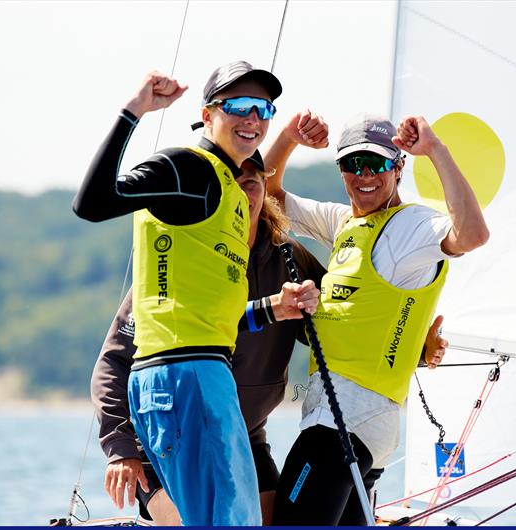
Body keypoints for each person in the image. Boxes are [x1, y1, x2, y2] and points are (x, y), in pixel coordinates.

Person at [72, 60, 313, 526]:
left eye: (264, 109)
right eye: (238, 106)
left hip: (197, 372)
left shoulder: (229, 192)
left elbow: (206, 311)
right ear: (208, 115)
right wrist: (133, 111)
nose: (253, 119)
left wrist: (270, 308)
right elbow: (92, 203)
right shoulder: (189, 168)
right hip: (186, 376)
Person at [264, 110, 489, 524]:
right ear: (341, 170)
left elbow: (472, 234)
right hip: (352, 422)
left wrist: (435, 149)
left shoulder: (412, 228)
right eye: (353, 164)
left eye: (378, 164)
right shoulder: (345, 222)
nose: (365, 174)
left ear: (399, 167)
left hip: (347, 420)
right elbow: (266, 196)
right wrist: (287, 138)